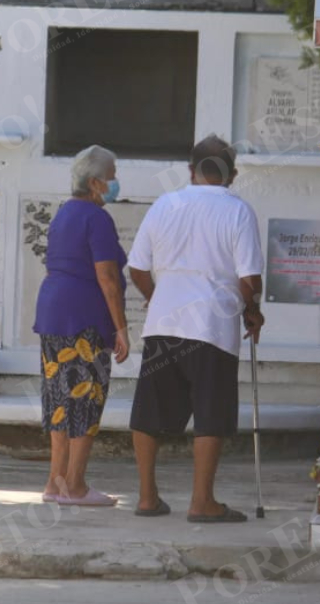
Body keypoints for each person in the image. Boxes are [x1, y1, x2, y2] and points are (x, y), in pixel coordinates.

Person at [127, 135, 265, 523]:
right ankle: (202, 502)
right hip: (213, 327)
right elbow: (249, 277)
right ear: (232, 175)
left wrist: (156, 297)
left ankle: (146, 498)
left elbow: (137, 268)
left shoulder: (163, 205)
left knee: (149, 411)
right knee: (211, 412)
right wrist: (252, 310)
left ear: (190, 170)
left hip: (163, 324)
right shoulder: (238, 211)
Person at [33, 145, 130, 507]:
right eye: (113, 175)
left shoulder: (64, 213)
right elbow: (107, 277)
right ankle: (74, 486)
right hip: (83, 317)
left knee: (60, 397)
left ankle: (55, 482)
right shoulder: (96, 217)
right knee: (86, 397)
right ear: (95, 182)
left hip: (55, 312)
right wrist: (121, 328)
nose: (116, 182)